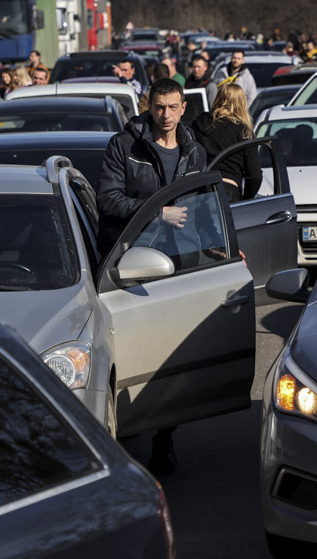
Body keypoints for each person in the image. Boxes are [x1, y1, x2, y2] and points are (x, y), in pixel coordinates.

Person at [97, 79, 206, 476]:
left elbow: (204, 208)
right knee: (130, 348)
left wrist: (223, 248)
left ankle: (164, 436)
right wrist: (155, 212)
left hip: (181, 263)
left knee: (172, 352)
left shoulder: (194, 149)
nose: (166, 115)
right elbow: (107, 199)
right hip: (130, 263)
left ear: (183, 108)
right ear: (149, 106)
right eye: (159, 107)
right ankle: (121, 426)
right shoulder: (124, 146)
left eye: (173, 107)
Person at [192, 83, 262, 203]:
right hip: (229, 191)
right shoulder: (243, 131)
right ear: (242, 104)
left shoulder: (198, 124)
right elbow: (254, 175)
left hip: (199, 190)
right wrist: (246, 199)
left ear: (218, 98)